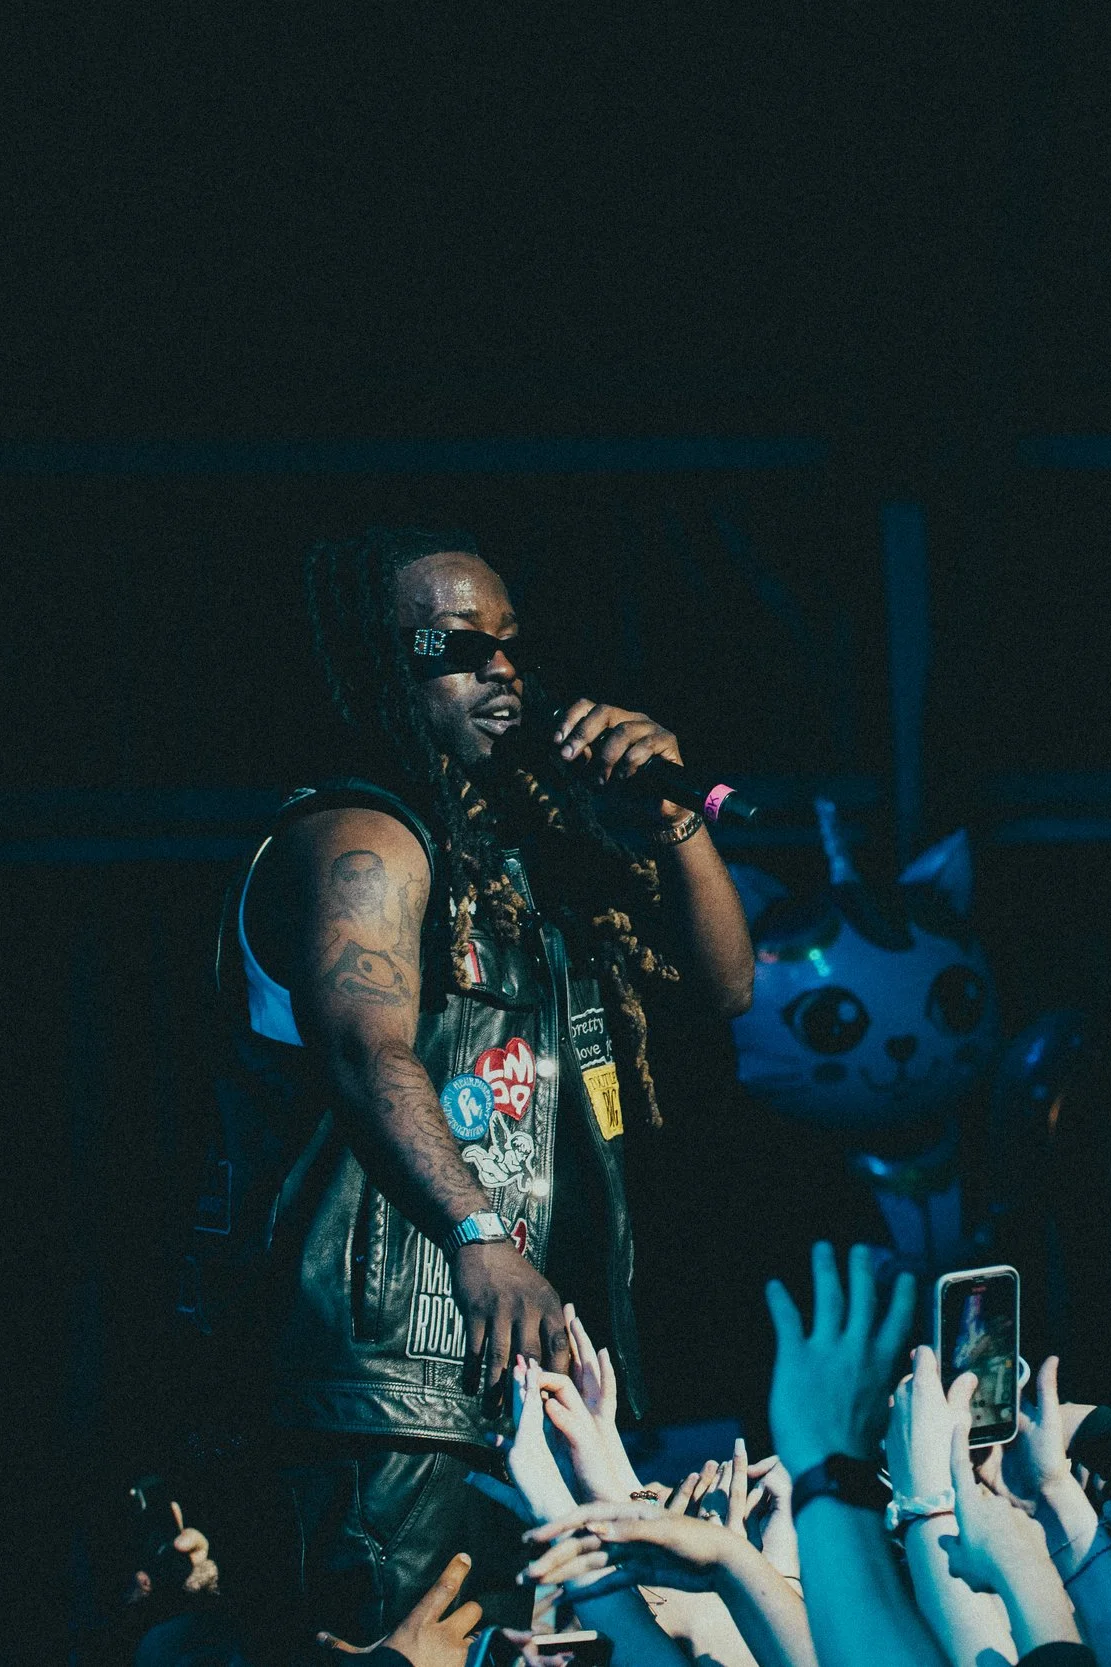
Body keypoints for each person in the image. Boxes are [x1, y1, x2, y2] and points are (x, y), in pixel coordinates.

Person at [218, 526, 754, 1643]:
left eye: (511, 645)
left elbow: (728, 988)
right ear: (373, 666)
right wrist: (478, 1230)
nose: (502, 670)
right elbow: (368, 1049)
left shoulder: (527, 863)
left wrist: (670, 823)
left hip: (523, 1383)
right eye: (459, 646)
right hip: (381, 1384)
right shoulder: (356, 836)